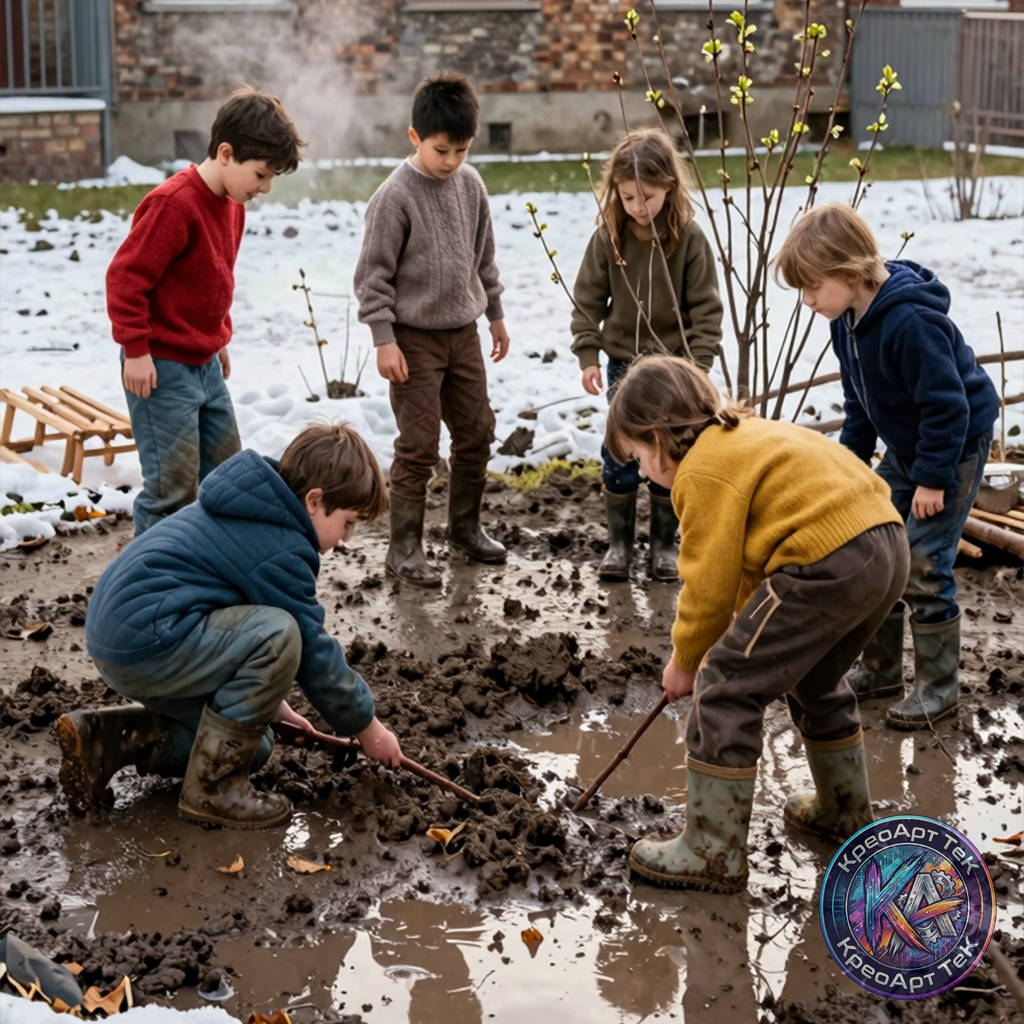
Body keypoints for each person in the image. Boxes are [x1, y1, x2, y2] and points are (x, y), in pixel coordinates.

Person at [605, 355, 909, 892]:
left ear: (658, 436)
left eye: (638, 457)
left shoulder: (702, 470)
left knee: (725, 686)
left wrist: (688, 662)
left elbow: (708, 584)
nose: (643, 472)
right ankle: (843, 811)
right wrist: (737, 635)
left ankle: (711, 850)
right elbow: (754, 581)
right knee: (814, 677)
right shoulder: (746, 436)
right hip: (883, 544)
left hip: (826, 558)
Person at [58, 423, 403, 829]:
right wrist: (368, 728)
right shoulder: (283, 546)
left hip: (121, 638)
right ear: (314, 500)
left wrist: (275, 707)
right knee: (282, 633)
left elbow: (231, 616)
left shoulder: (251, 507)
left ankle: (107, 740)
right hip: (153, 640)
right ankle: (214, 791)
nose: (346, 539)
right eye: (348, 522)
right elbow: (313, 650)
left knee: (250, 750)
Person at [775, 203, 999, 729]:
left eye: (812, 288)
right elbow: (860, 403)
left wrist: (931, 480)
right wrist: (850, 469)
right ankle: (882, 671)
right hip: (908, 445)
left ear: (851, 272)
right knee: (876, 548)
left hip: (953, 447)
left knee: (921, 560)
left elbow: (948, 407)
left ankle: (939, 687)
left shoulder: (911, 322)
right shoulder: (846, 321)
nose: (807, 301)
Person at [107, 85, 306, 536]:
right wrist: (135, 350)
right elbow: (124, 279)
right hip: (159, 368)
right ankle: (152, 574)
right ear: (226, 153)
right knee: (172, 489)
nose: (265, 187)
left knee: (227, 476)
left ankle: (212, 562)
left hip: (205, 365)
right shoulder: (173, 205)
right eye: (261, 174)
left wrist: (219, 336)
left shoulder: (233, 205)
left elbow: (213, 278)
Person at [354, 71, 510, 589]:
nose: (451, 162)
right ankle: (403, 549)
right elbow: (372, 278)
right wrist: (384, 339)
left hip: (463, 332)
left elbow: (483, 258)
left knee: (477, 432)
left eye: (462, 150)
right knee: (419, 444)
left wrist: (495, 315)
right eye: (442, 150)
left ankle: (465, 529)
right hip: (413, 340)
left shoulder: (471, 185)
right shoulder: (393, 198)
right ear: (415, 137)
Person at [571, 127, 723, 582]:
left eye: (648, 197)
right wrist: (588, 353)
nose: (638, 207)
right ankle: (619, 546)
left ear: (669, 187)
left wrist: (696, 370)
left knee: (670, 453)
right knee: (621, 451)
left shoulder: (690, 240)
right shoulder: (609, 239)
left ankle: (663, 546)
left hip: (676, 369)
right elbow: (587, 301)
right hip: (623, 365)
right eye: (628, 197)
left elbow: (706, 311)